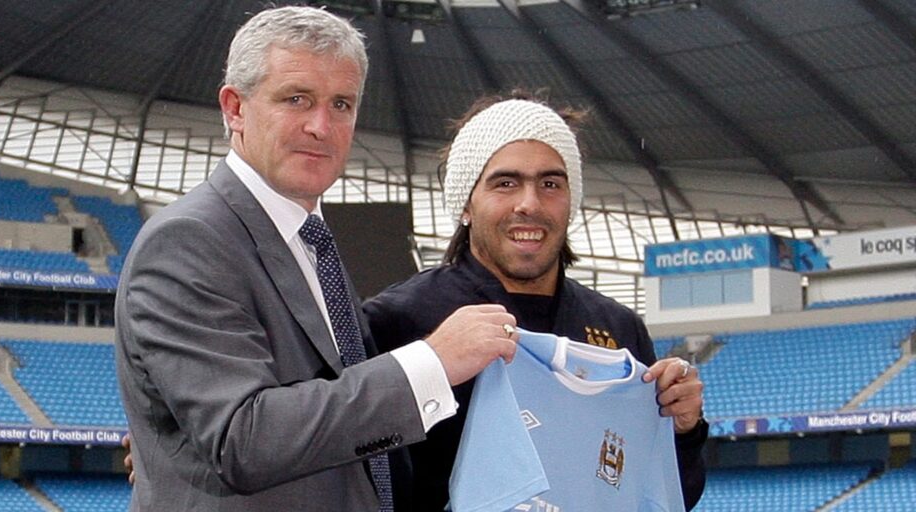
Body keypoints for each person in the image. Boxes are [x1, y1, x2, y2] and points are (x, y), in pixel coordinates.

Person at [114, 7, 518, 511]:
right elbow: (245, 438)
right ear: (235, 108)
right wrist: (430, 363)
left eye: (342, 104)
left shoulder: (310, 240)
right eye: (296, 99)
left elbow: (345, 431)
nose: (321, 126)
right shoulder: (188, 239)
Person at [363, 92, 708, 510]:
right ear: (466, 204)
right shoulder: (398, 319)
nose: (529, 203)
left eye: (550, 184)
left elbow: (657, 494)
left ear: (570, 201)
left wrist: (684, 431)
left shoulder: (618, 328)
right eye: (505, 183)